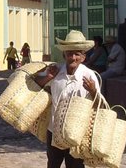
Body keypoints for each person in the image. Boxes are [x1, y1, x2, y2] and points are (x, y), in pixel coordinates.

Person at [34, 30, 100, 168]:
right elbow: (35, 84)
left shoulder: (90, 76)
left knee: (75, 165)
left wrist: (93, 91)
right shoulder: (56, 70)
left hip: (77, 133)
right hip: (54, 129)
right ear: (64, 54)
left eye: (77, 54)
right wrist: (48, 77)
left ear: (83, 57)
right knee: (53, 164)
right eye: (70, 53)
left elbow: (99, 106)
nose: (73, 57)